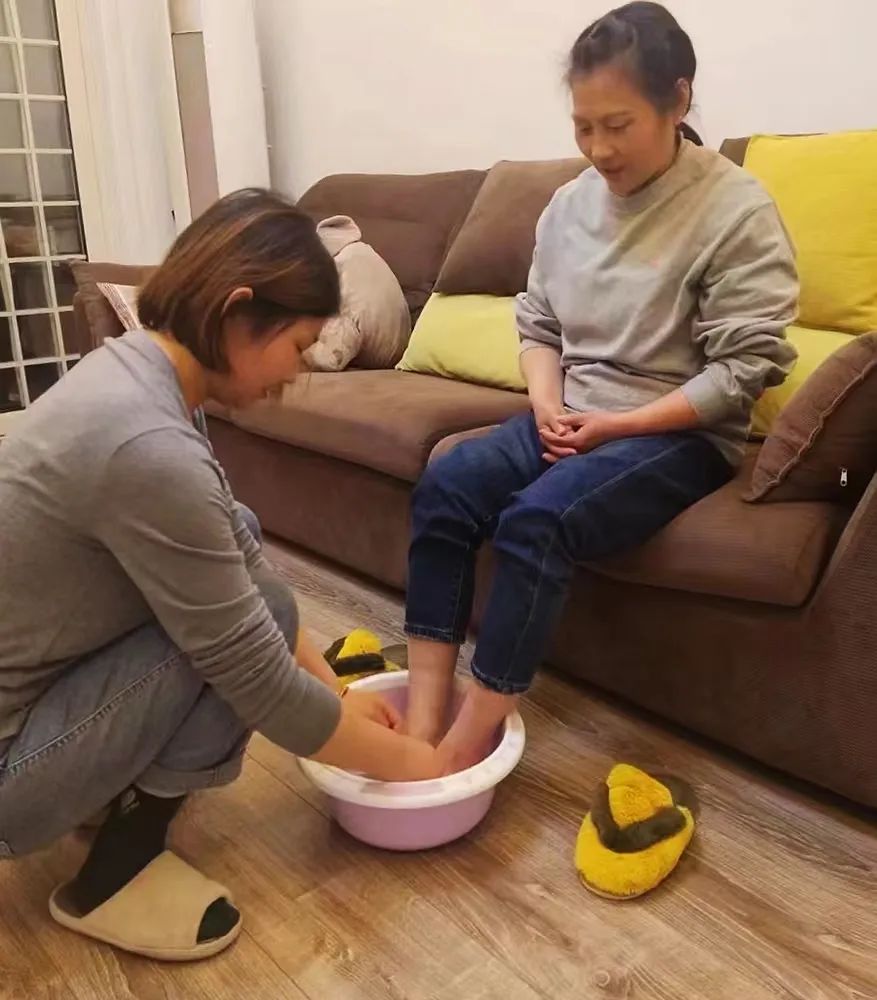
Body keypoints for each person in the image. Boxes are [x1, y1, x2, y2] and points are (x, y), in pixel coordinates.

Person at [0, 189, 443, 961]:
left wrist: (340, 696)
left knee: (245, 570)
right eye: (298, 346)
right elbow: (260, 683)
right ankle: (113, 872)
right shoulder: (144, 445)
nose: (297, 372)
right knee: (229, 641)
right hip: (13, 771)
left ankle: (103, 793)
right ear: (238, 313)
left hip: (35, 701)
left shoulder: (140, 373)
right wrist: (424, 769)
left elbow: (237, 551)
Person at [404, 1, 799, 773]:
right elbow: (538, 325)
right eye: (582, 126)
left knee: (536, 520)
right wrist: (546, 402)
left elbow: (739, 375)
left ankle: (463, 746)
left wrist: (617, 427)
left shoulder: (735, 210)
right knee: (447, 484)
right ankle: (419, 718)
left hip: (678, 434)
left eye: (617, 125)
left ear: (677, 100)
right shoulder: (568, 205)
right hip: (572, 412)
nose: (596, 149)